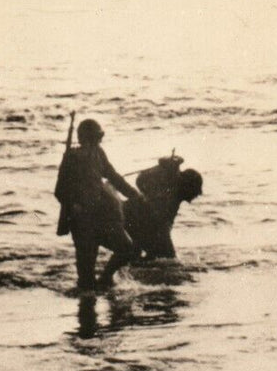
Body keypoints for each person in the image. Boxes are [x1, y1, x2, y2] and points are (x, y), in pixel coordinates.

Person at [54, 118, 146, 292]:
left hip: (103, 217)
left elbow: (113, 176)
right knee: (86, 282)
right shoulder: (71, 158)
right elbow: (60, 191)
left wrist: (134, 194)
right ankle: (87, 307)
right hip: (81, 222)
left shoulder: (98, 153)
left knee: (128, 249)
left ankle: (105, 278)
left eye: (98, 138)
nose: (97, 141)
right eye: (95, 138)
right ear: (85, 139)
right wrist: (74, 205)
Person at [125, 157, 203, 260]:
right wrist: (168, 166)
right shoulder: (168, 194)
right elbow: (161, 226)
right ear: (187, 187)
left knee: (148, 256)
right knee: (167, 258)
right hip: (136, 219)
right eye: (196, 188)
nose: (198, 193)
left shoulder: (173, 192)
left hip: (133, 217)